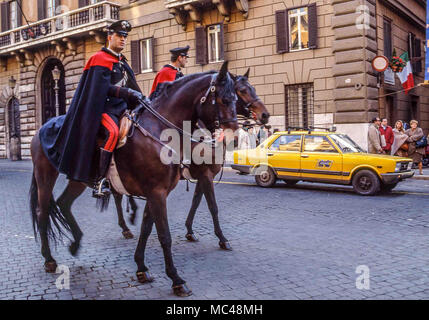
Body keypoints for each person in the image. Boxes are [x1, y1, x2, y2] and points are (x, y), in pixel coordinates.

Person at [39, 20, 146, 198]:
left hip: (122, 109)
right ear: (109, 37)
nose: (123, 40)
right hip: (103, 109)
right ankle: (100, 180)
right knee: (112, 132)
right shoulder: (99, 59)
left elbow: (133, 87)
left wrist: (142, 99)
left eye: (125, 37)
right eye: (119, 36)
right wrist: (126, 92)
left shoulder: (122, 62)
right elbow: (99, 89)